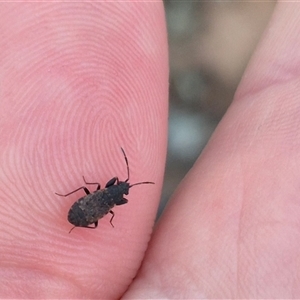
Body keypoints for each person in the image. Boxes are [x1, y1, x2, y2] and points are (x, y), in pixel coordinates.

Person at [1, 2, 299, 299]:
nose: (121, 188)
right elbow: (106, 205)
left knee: (89, 197)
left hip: (81, 212)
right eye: (123, 187)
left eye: (122, 188)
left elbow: (104, 202)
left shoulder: (106, 198)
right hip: (81, 213)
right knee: (89, 200)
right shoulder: (108, 201)